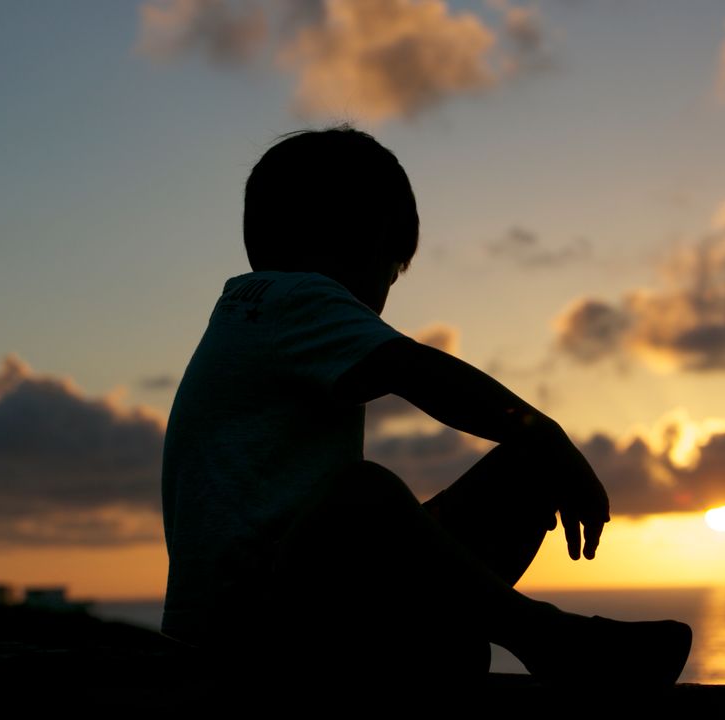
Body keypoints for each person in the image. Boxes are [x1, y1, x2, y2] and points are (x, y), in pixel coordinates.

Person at [160, 126, 692, 688]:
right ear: (356, 239)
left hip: (309, 610)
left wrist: (536, 449)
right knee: (365, 496)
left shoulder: (250, 310)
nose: (382, 297)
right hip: (255, 636)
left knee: (522, 471)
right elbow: (419, 371)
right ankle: (551, 638)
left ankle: (434, 641)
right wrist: (547, 435)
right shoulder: (295, 298)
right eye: (390, 270)